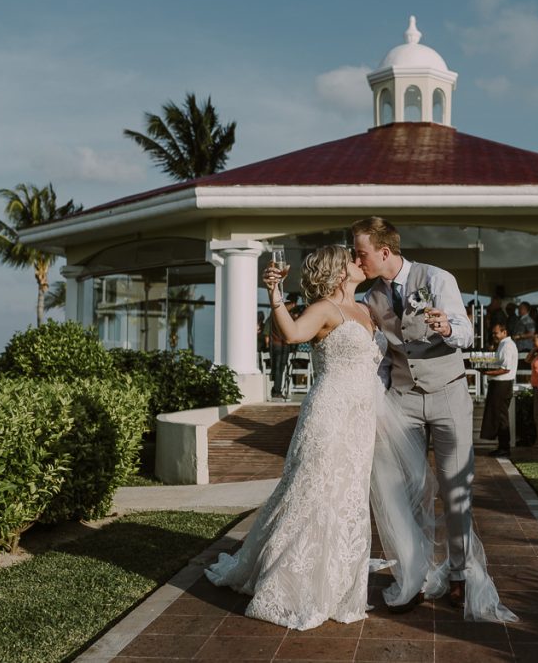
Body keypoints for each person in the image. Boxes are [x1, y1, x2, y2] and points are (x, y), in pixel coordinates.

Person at [205, 246, 382, 631]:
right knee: (312, 491)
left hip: (360, 422)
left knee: (347, 496)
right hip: (329, 415)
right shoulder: (324, 309)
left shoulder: (367, 310)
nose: (358, 261)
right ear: (338, 271)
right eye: (352, 258)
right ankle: (293, 585)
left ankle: (336, 585)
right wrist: (273, 295)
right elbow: (291, 333)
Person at [352, 216, 516, 624]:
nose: (358, 259)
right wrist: (374, 396)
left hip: (448, 395)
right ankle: (415, 574)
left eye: (361, 252)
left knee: (455, 489)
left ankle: (460, 573)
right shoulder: (370, 298)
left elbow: (463, 330)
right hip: (403, 400)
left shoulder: (437, 277)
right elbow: (384, 358)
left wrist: (446, 327)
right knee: (407, 491)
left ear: (384, 252)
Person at [479, 323, 518, 457]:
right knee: (498, 415)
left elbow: (505, 368)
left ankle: (504, 447)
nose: (494, 335)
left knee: (501, 417)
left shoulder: (507, 346)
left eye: (496, 333)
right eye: (493, 333)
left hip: (502, 384)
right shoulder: (503, 344)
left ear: (504, 332)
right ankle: (502, 446)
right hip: (499, 384)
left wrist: (488, 372)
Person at [265, 293, 298, 399]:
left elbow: (268, 327)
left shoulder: (276, 311)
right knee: (279, 368)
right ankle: (277, 391)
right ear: (293, 304)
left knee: (278, 367)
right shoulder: (285, 314)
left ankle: (276, 389)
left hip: (278, 343)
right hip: (280, 343)